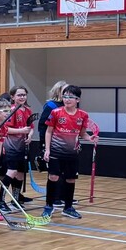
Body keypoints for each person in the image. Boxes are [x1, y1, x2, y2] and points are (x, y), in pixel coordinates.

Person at [42, 86, 96, 220]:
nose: (67, 99)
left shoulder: (83, 115)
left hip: (72, 153)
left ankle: (68, 208)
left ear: (77, 99)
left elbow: (82, 133)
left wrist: (90, 138)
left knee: (70, 179)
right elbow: (48, 131)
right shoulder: (56, 112)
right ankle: (49, 206)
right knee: (53, 177)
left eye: (70, 97)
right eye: (65, 96)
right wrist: (47, 149)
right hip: (56, 151)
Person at [0, 86, 35, 211]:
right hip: (11, 146)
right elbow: (5, 129)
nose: (22, 97)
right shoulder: (11, 110)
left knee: (20, 174)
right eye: (19, 95)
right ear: (13, 97)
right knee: (12, 172)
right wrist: (21, 131)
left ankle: (15, 200)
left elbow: (31, 127)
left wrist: (30, 136)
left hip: (23, 147)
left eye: (24, 95)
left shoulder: (28, 110)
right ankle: (0, 200)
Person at [36, 80, 68, 172]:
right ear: (58, 91)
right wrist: (44, 145)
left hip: (65, 143)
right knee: (54, 171)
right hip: (53, 142)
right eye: (65, 91)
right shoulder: (51, 105)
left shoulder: (68, 105)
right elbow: (43, 125)